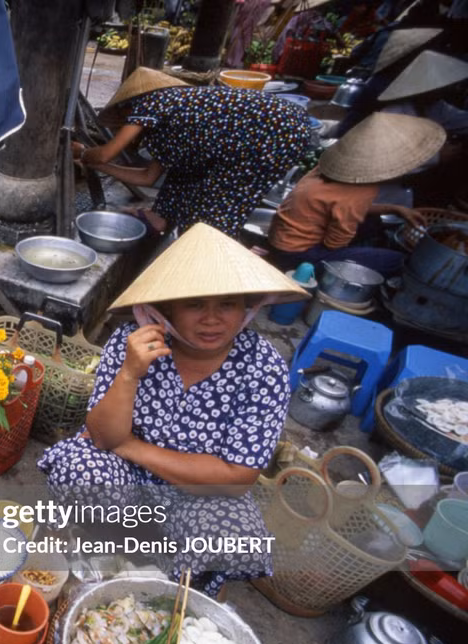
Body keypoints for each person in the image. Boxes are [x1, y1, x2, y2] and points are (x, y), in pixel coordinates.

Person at [38, 223, 308, 597]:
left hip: (199, 495)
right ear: (165, 310)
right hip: (125, 479)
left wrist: (131, 446)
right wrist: (130, 373)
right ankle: (107, 549)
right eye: (195, 304)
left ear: (247, 308)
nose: (212, 319)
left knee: (232, 533)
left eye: (227, 304)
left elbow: (236, 477)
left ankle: (179, 587)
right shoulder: (132, 342)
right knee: (78, 468)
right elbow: (101, 437)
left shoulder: (264, 370)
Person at [76, 68, 312, 238]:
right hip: (280, 130)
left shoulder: (151, 101)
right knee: (185, 172)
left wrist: (83, 153)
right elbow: (146, 177)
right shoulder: (176, 122)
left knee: (213, 212)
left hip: (276, 133)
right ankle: (160, 219)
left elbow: (106, 153)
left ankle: (203, 256)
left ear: (127, 106)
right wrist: (99, 166)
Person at [269, 113, 445, 275]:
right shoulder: (361, 189)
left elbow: (336, 205)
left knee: (371, 222)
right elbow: (334, 243)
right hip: (297, 256)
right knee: (395, 260)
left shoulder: (327, 167)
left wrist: (395, 209)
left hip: (282, 241)